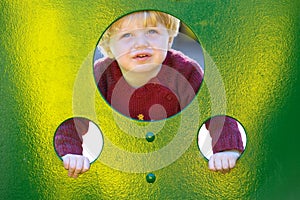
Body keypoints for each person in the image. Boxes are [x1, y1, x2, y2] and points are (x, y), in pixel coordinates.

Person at [54, 11, 244, 178]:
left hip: (176, 166)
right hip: (122, 169)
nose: (141, 43)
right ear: (109, 45)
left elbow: (215, 112)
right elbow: (74, 118)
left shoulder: (185, 72)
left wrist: (226, 150)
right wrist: (71, 154)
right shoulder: (101, 75)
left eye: (152, 31)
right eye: (127, 35)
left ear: (169, 37)